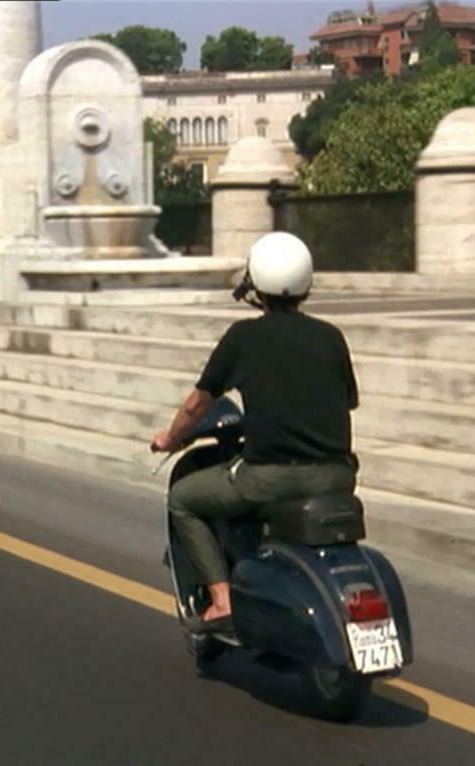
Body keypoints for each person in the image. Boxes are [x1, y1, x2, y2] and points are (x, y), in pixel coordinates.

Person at [151, 232, 359, 633]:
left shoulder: (243, 338)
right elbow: (346, 401)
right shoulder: (331, 337)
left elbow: (197, 404)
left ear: (255, 284)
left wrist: (169, 439)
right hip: (337, 477)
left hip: (268, 479)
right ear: (306, 283)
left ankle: (222, 600)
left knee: (183, 499)